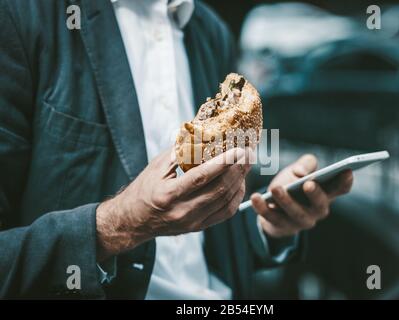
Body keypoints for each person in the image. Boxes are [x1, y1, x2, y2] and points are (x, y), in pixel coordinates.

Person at [0, 0, 353, 299]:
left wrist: (271, 224)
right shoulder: (24, 15)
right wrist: (118, 225)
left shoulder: (209, 33)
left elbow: (201, 241)